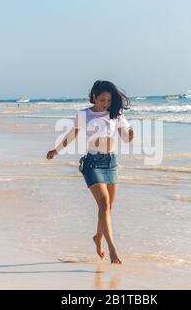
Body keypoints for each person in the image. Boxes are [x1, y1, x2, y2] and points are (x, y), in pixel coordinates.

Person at [46, 80, 134, 264]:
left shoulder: (116, 114)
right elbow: (72, 135)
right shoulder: (83, 114)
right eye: (102, 100)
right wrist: (56, 150)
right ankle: (112, 249)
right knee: (103, 203)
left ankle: (98, 238)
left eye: (109, 101)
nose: (106, 104)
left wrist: (130, 134)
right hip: (92, 163)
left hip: (111, 162)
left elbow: (126, 138)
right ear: (94, 97)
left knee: (108, 208)